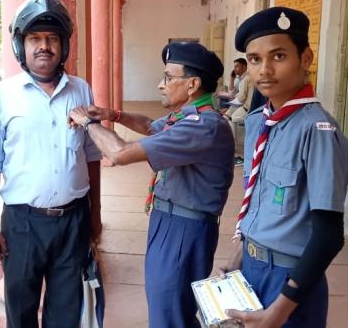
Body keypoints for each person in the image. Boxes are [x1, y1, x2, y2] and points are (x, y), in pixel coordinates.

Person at [69, 41, 234, 328]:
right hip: (170, 220)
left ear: (193, 84)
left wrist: (87, 123)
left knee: (169, 313)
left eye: (169, 78)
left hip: (184, 228)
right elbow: (150, 126)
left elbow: (118, 153)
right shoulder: (186, 116)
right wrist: (111, 115)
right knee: (167, 306)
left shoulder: (203, 125)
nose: (161, 85)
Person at [221, 7, 348, 328]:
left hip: (290, 279)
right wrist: (239, 257)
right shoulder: (258, 122)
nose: (265, 70)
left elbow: (328, 235)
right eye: (254, 59)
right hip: (251, 266)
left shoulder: (318, 130)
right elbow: (258, 202)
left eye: (278, 56)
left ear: (305, 59)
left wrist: (278, 311)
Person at [0, 0, 102, 328]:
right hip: (23, 224)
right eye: (34, 38)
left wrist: (95, 215)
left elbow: (91, 156)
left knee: (66, 311)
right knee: (20, 310)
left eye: (52, 38)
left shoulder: (81, 90)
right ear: (21, 45)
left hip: (73, 220)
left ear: (63, 45)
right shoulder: (2, 96)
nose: (44, 46)